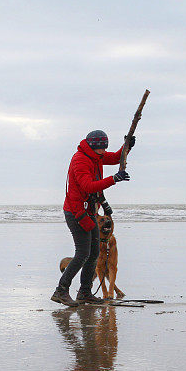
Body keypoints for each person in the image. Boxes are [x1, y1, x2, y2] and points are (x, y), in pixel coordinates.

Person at [51, 130, 135, 306]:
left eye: (105, 147)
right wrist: (113, 179)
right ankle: (60, 291)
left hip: (89, 212)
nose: (104, 152)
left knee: (94, 253)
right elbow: (88, 186)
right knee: (82, 253)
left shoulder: (96, 156)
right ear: (92, 146)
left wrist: (126, 148)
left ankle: (85, 292)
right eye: (101, 148)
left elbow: (114, 158)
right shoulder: (80, 160)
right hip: (76, 213)